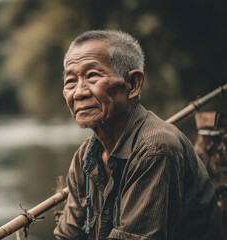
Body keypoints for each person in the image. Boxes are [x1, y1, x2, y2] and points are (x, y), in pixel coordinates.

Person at [54, 30, 224, 240]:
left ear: (133, 84)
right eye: (70, 81)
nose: (78, 92)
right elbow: (67, 235)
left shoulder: (156, 148)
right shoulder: (85, 157)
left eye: (92, 76)